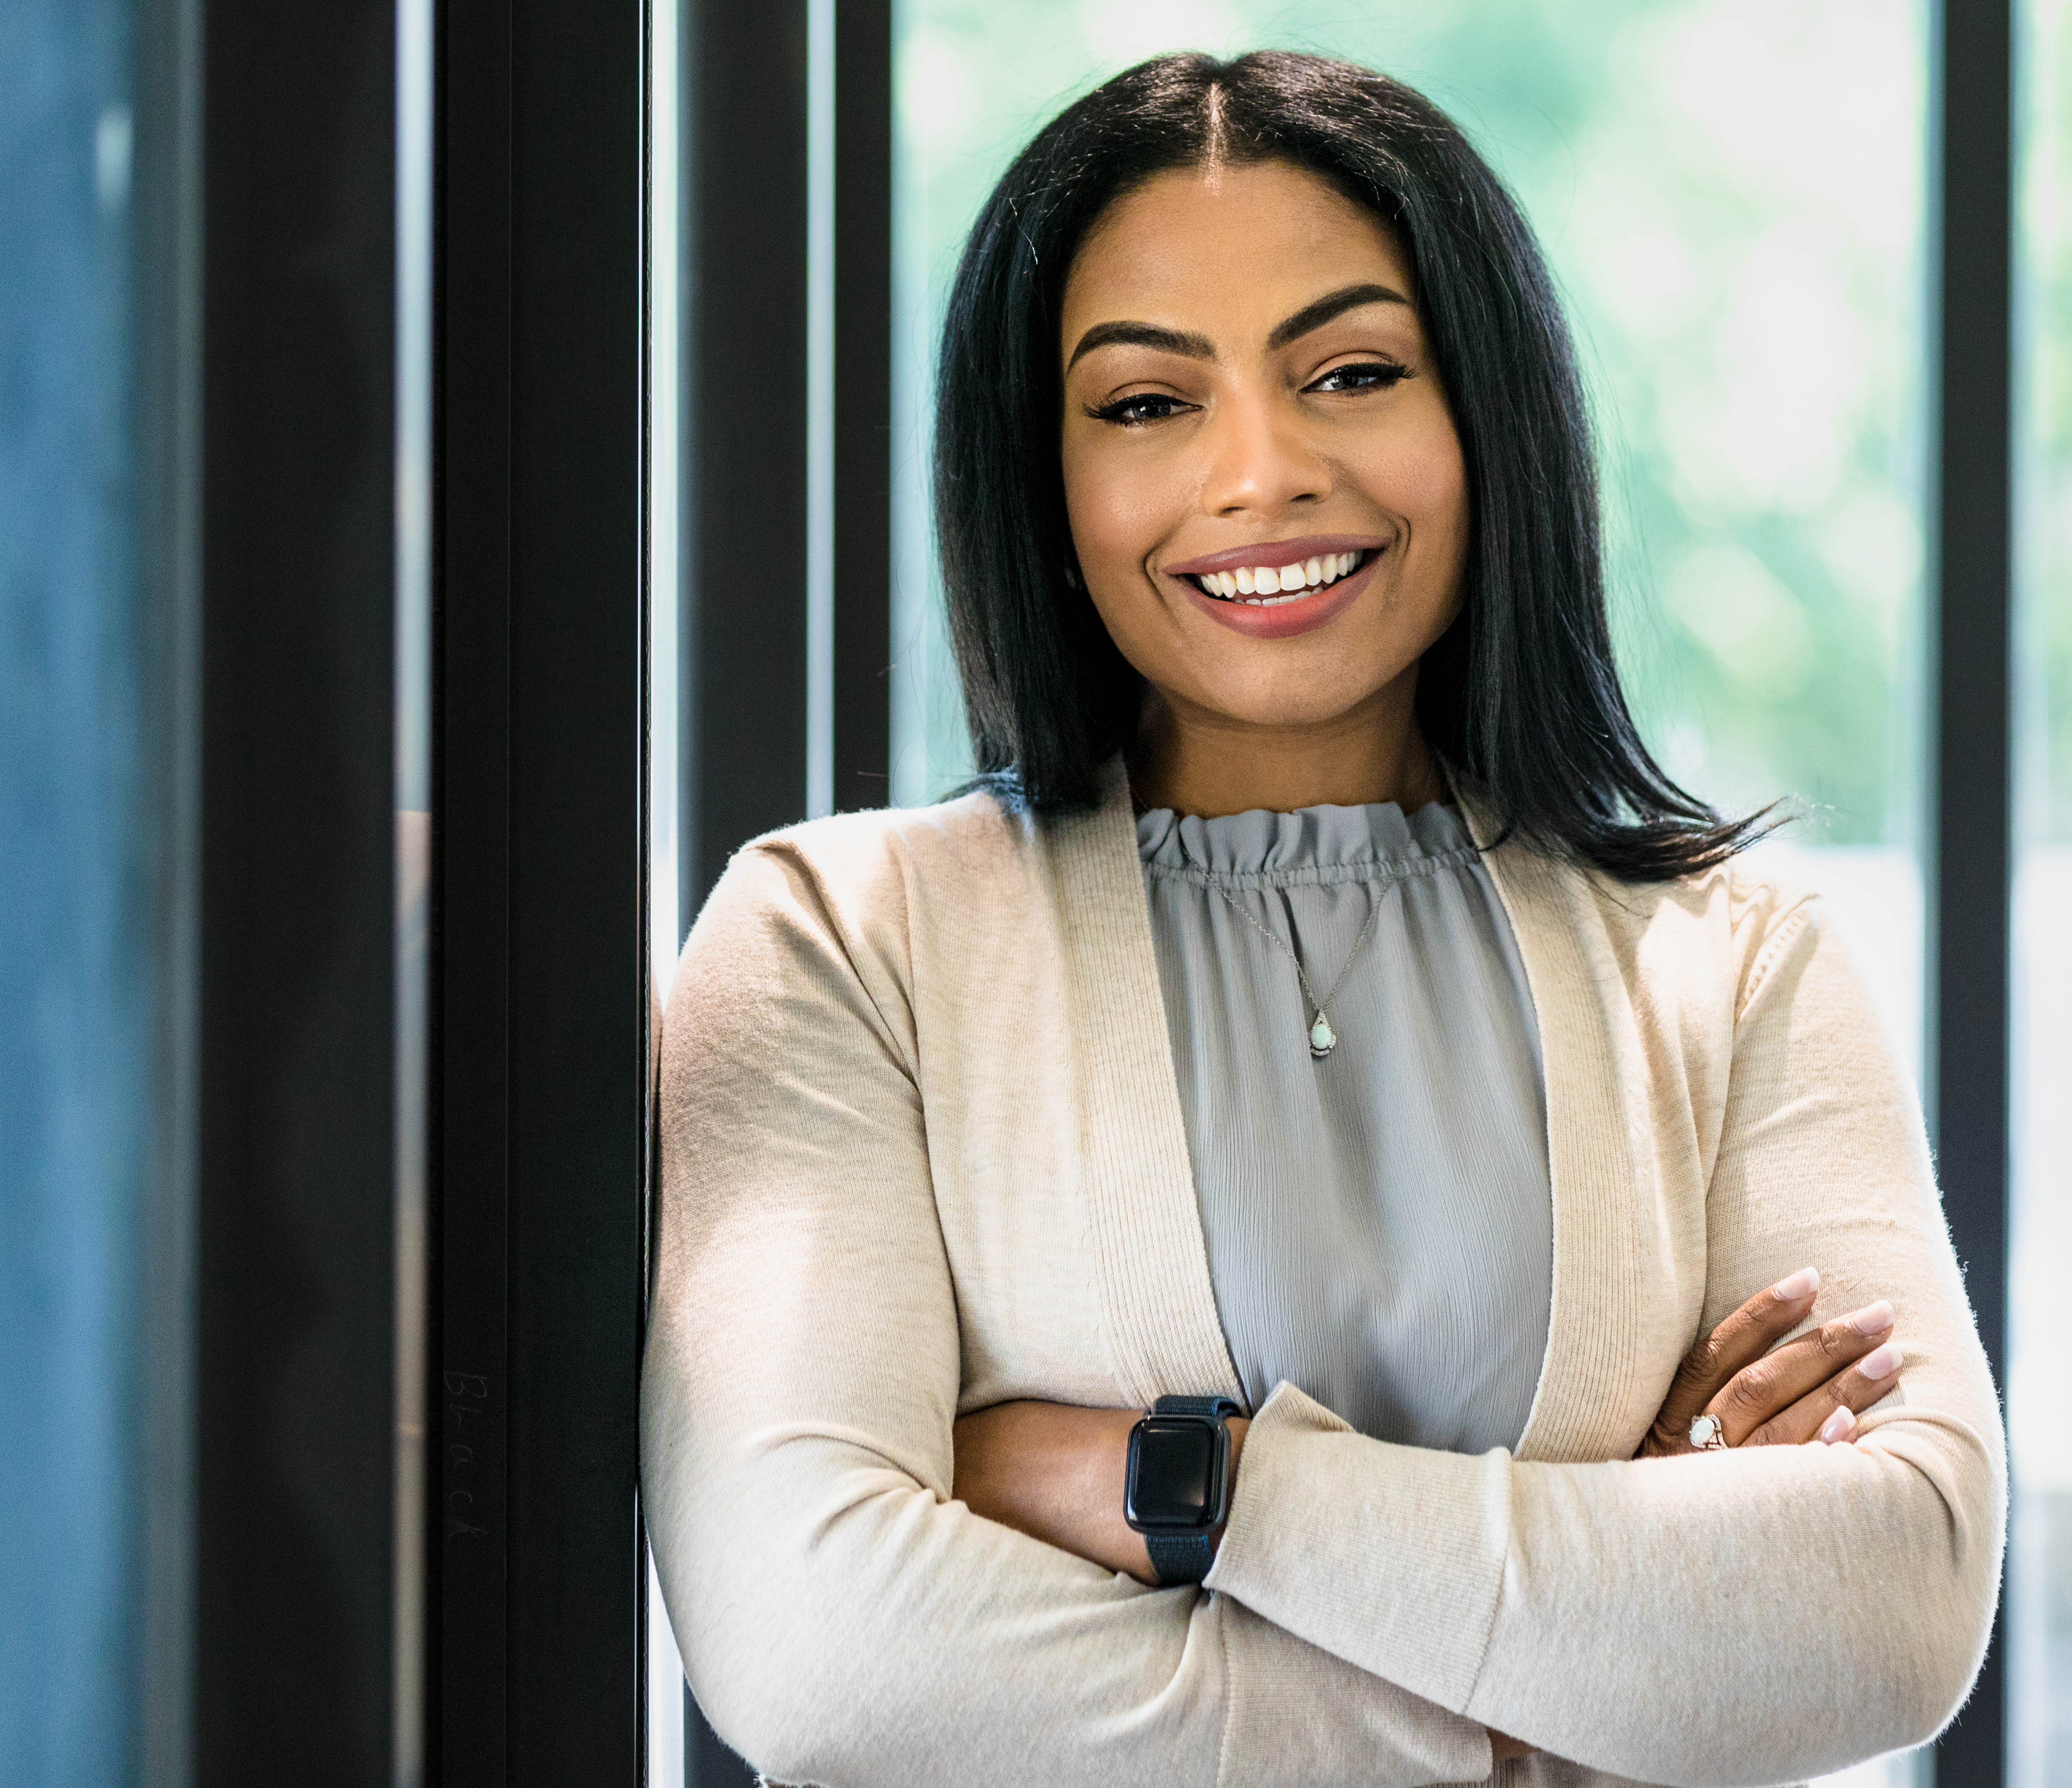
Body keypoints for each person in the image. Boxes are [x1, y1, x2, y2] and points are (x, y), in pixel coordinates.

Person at [643, 49, 2003, 1788]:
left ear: (1484, 417)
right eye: (1145, 404)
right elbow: (823, 1648)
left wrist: (1182, 1486)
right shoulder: (843, 946)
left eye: (1352, 372)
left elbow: (1894, 1599)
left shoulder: (1731, 961)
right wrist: (1569, 1688)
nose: (1262, 473)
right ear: (1041, 479)